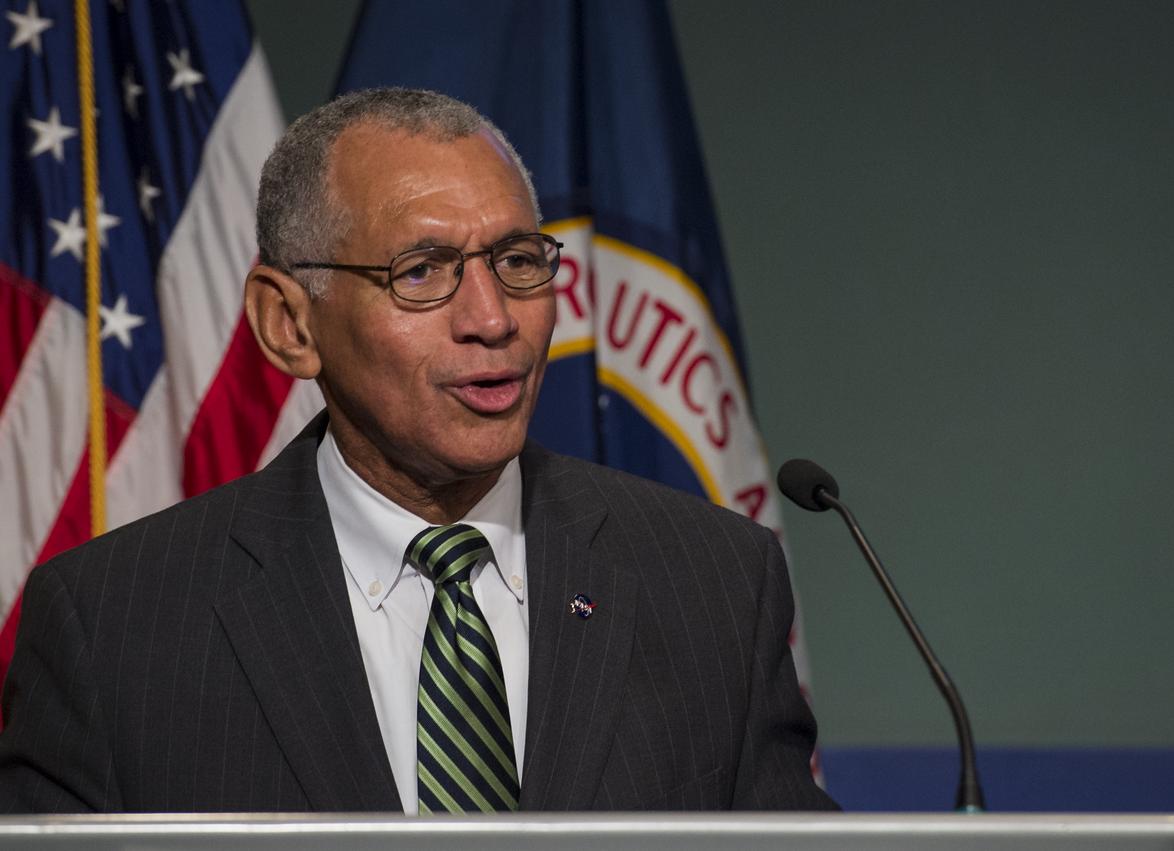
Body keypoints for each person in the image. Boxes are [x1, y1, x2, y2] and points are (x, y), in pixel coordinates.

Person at [0, 88, 835, 814]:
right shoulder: (114, 625)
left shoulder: (715, 583)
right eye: (422, 271)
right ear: (289, 324)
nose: (493, 316)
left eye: (516, 260)